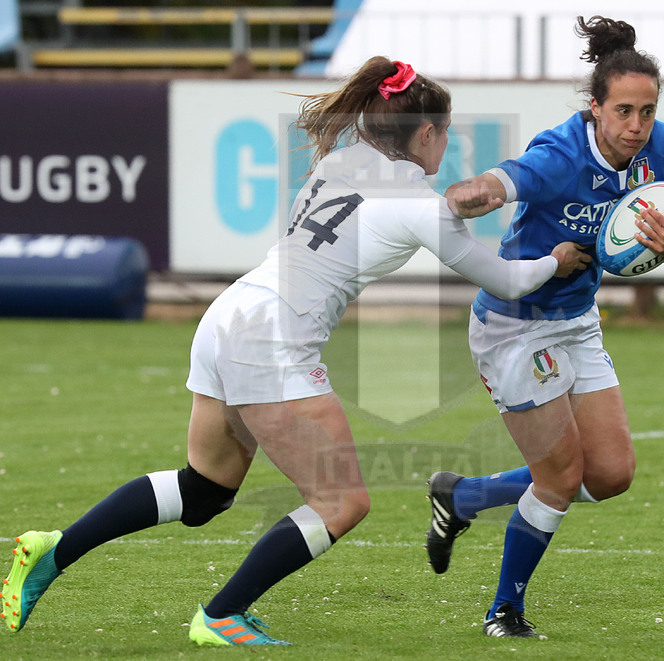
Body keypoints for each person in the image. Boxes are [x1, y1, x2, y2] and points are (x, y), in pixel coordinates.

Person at [2, 57, 589, 646]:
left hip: (230, 315)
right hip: (273, 339)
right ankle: (220, 615)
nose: (449, 142)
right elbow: (509, 282)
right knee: (342, 502)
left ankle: (53, 550)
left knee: (205, 489)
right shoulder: (422, 206)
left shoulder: (342, 158)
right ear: (427, 133)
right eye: (446, 130)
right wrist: (556, 260)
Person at [425, 16, 664, 639]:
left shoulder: (663, 149)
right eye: (624, 111)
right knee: (558, 478)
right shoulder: (560, 154)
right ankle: (504, 612)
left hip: (576, 320)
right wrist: (468, 196)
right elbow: (499, 183)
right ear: (595, 107)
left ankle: (462, 498)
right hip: (515, 329)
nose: (637, 126)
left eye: (648, 111)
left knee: (610, 474)